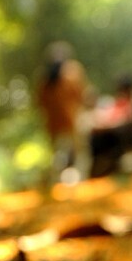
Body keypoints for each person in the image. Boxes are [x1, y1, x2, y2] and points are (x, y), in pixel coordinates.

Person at [37, 42, 91, 185]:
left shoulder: (44, 78)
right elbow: (82, 95)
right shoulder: (73, 71)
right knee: (80, 152)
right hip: (72, 119)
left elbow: (40, 103)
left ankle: (55, 182)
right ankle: (81, 181)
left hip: (53, 123)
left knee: (57, 154)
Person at [90, 74, 132, 178]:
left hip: (131, 136)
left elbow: (131, 120)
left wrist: (110, 126)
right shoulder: (117, 101)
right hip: (114, 132)